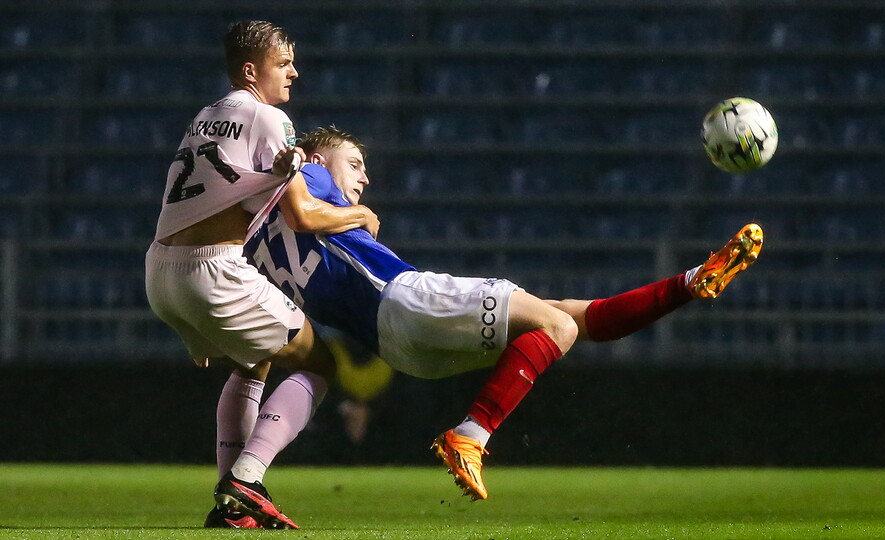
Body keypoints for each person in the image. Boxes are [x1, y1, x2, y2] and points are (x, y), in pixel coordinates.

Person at [246, 126, 764, 501]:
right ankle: (470, 435)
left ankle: (690, 282)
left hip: (396, 348)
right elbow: (303, 202)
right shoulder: (312, 173)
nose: (364, 178)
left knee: (565, 318)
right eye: (356, 164)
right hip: (403, 299)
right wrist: (357, 211)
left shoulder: (258, 245)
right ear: (318, 158)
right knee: (558, 326)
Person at [144, 22, 378, 529]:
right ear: (251, 70)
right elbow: (303, 216)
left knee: (255, 361)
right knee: (319, 362)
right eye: (283, 63)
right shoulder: (271, 118)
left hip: (160, 270)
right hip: (212, 268)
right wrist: (360, 214)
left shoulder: (205, 116)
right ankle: (246, 478)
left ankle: (232, 509)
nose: (294, 72)